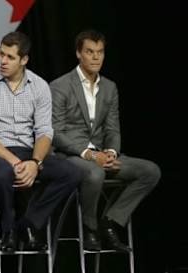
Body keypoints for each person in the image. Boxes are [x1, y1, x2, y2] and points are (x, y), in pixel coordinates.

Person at [0, 31, 83, 252]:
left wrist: (35, 162)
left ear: (24, 60)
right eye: (1, 54)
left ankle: (29, 223)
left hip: (27, 150)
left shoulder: (39, 86)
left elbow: (44, 131)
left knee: (73, 173)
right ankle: (8, 230)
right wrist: (15, 162)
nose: (3, 61)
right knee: (3, 174)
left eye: (10, 57)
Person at [50, 29, 161, 251]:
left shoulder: (110, 87)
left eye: (100, 52)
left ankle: (110, 221)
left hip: (102, 153)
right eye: (90, 52)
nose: (96, 57)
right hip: (71, 154)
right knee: (95, 172)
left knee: (150, 171)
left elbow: (112, 128)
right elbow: (55, 132)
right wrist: (90, 154)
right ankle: (89, 227)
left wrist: (110, 152)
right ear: (79, 54)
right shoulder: (59, 86)